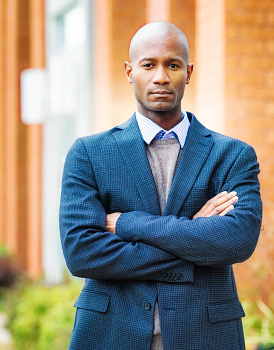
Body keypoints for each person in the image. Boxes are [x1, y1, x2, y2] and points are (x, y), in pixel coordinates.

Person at [59, 21, 262, 350]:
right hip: (112, 332)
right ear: (129, 71)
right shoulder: (89, 153)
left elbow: (236, 242)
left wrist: (128, 223)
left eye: (173, 65)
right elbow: (83, 254)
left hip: (205, 334)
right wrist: (195, 236)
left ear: (189, 71)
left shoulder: (232, 155)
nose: (161, 77)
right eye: (148, 65)